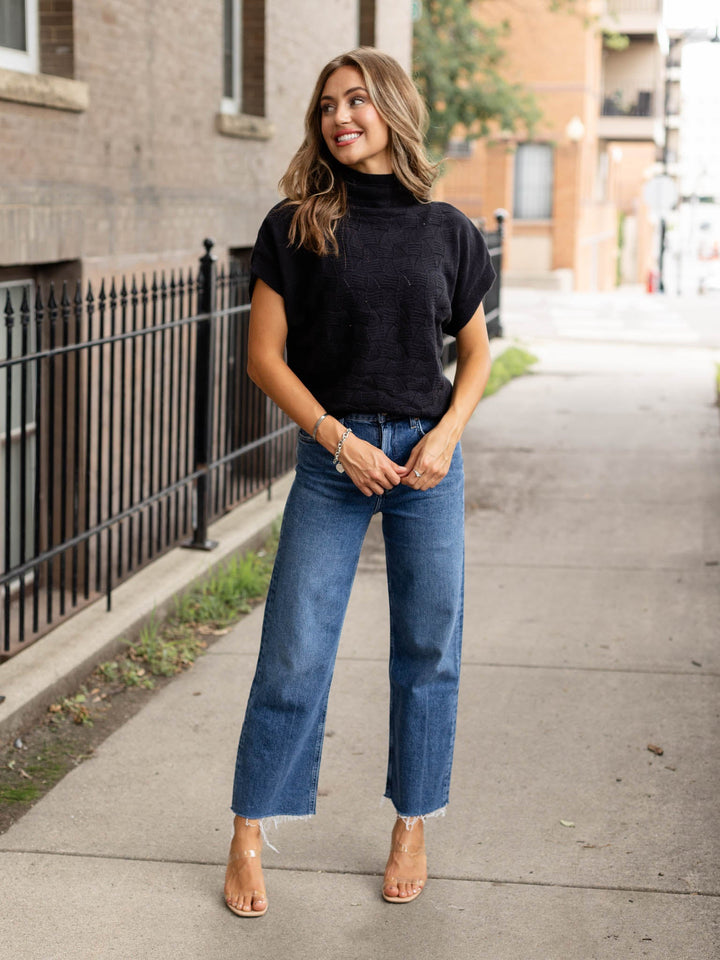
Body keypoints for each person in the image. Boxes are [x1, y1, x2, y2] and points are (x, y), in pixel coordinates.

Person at [224, 47, 495, 917]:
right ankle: (248, 831)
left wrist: (448, 435)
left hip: (426, 462)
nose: (340, 116)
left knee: (428, 649)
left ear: (391, 109)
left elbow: (477, 351)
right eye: (328, 104)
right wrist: (338, 440)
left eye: (357, 100)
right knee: (295, 649)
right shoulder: (297, 225)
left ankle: (413, 821)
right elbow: (264, 360)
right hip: (335, 461)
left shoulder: (448, 229)